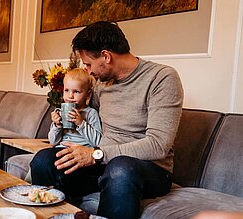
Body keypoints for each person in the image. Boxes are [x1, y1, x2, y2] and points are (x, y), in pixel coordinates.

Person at [30, 21, 184, 219]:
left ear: (106, 56)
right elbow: (85, 116)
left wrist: (96, 155)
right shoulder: (102, 83)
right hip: (103, 163)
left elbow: (158, 145)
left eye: (88, 64)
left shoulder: (162, 78)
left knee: (119, 168)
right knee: (45, 160)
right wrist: (62, 117)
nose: (88, 71)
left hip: (146, 169)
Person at [49, 67, 102, 149]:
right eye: (66, 90)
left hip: (81, 151)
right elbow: (53, 142)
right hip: (61, 148)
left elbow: (97, 142)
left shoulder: (91, 113)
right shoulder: (59, 112)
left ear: (88, 94)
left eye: (76, 91)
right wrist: (57, 125)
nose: (70, 96)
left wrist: (81, 123)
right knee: (42, 156)